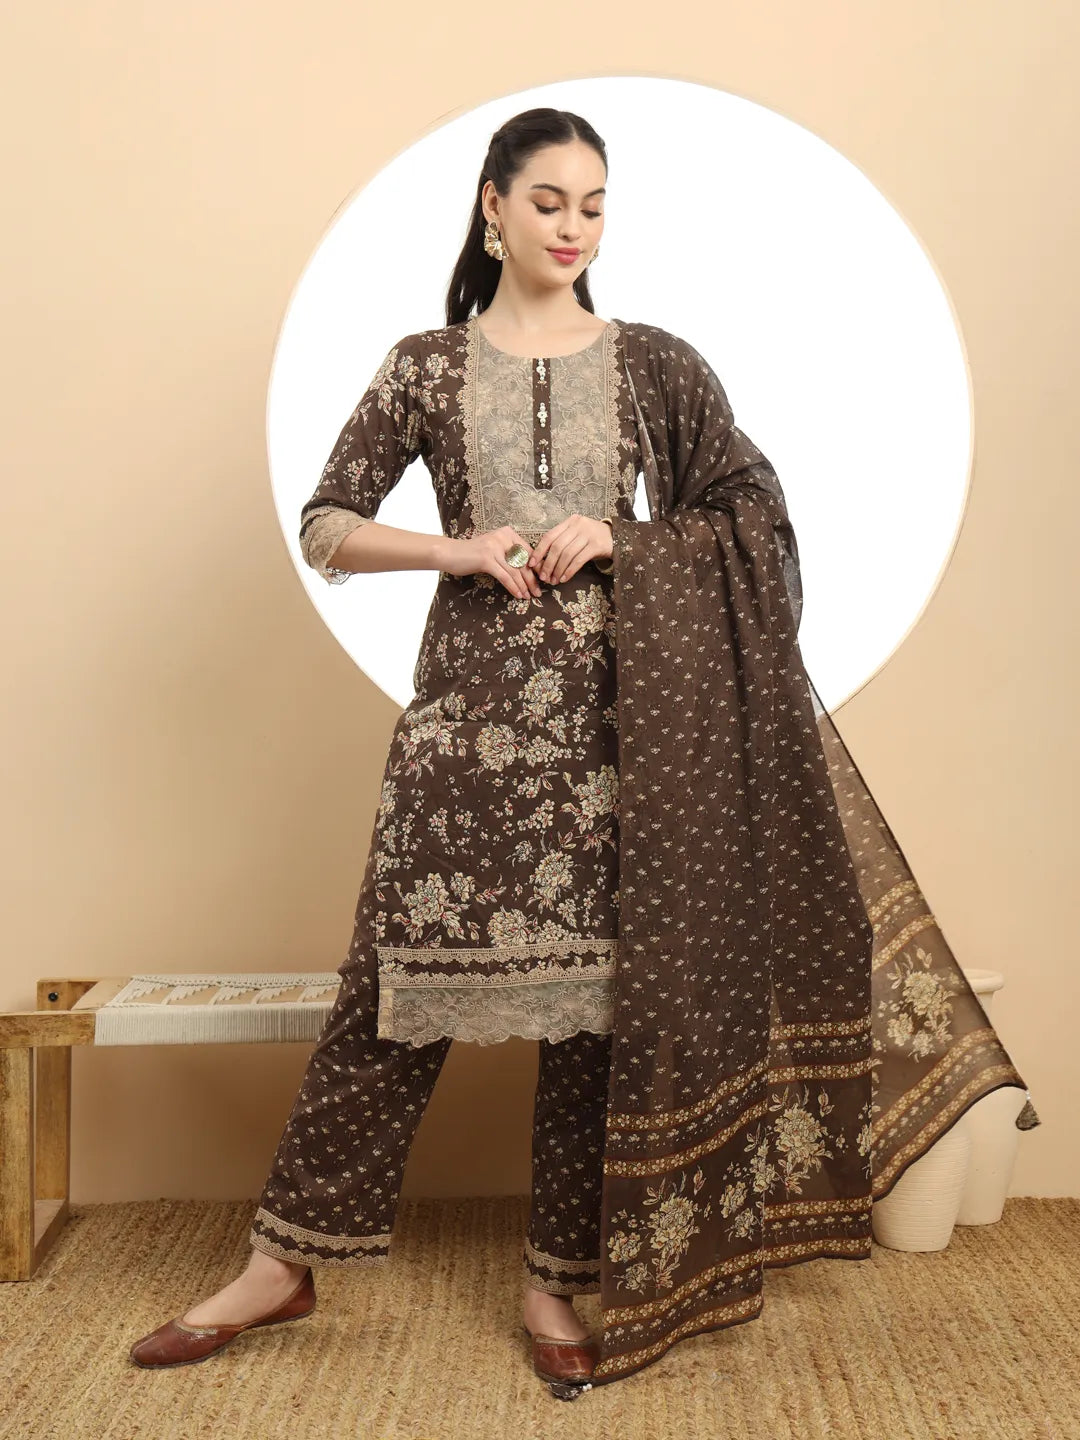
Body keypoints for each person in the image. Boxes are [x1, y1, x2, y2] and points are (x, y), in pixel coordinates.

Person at [129, 107, 1039, 1393]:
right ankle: (282, 1266)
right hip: (462, 739)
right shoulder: (423, 368)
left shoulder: (658, 365)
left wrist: (625, 538)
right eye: (549, 201)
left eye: (594, 205)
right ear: (491, 206)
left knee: (597, 1021)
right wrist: (455, 548)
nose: (573, 227)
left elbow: (755, 517)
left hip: (623, 745)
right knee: (388, 999)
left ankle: (553, 1282)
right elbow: (327, 524)